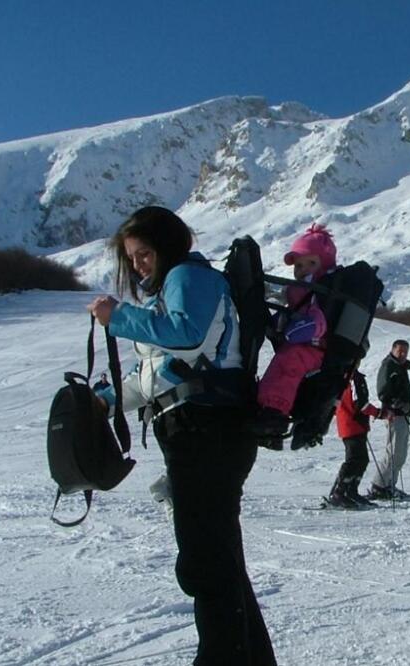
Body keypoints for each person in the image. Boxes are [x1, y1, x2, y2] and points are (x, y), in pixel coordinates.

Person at [86, 206, 276, 665]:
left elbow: (187, 337)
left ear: (168, 246)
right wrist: (106, 400)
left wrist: (119, 318)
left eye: (144, 253)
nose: (138, 265)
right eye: (132, 258)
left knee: (207, 563)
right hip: (199, 430)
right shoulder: (169, 292)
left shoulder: (190, 279)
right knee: (219, 558)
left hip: (208, 430)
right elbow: (158, 372)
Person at [252, 224, 336, 436]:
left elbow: (319, 321)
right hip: (300, 347)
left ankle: (276, 414)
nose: (302, 269)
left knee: (288, 368)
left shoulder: (322, 291)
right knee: (278, 366)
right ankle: (265, 406)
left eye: (310, 263)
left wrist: (302, 329)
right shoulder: (301, 291)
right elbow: (292, 312)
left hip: (314, 348)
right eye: (298, 266)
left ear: (324, 264)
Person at [325, 368, 380, 508]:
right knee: (355, 460)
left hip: (349, 423)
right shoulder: (354, 378)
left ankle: (350, 490)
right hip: (353, 424)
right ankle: (339, 493)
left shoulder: (340, 377)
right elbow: (360, 404)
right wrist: (379, 413)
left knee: (360, 459)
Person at [368, 339, 410, 500]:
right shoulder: (388, 366)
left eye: (405, 352)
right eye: (400, 351)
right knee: (393, 451)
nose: (403, 354)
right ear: (393, 349)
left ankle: (389, 485)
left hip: (403, 414)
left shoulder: (399, 367)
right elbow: (383, 391)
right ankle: (379, 485)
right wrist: (398, 404)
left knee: (401, 452)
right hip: (393, 414)